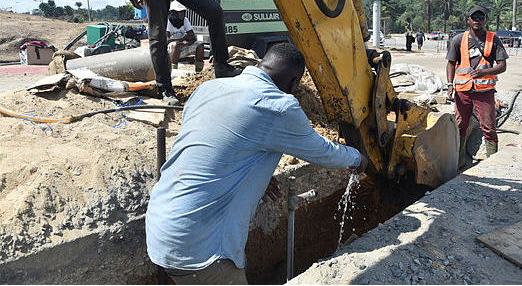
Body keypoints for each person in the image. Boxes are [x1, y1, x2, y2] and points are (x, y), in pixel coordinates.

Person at [145, 43, 368, 284]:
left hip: (161, 226)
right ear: (294, 83)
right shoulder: (278, 106)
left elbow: (211, 147)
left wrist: (255, 174)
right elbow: (322, 151)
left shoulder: (209, 89)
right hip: (201, 248)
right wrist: (357, 158)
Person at [446, 6, 508, 168]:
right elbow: (451, 63)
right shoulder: (459, 39)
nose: (477, 21)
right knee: (460, 126)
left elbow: (502, 66)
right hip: (463, 91)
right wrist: (449, 85)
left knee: (488, 127)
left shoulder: (493, 39)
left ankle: (492, 165)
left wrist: (484, 72)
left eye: (481, 18)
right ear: (468, 20)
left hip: (484, 92)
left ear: (485, 20)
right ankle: (458, 164)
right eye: (474, 17)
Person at [166, 0, 205, 73]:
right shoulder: (167, 22)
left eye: (183, 12)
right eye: (180, 12)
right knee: (175, 44)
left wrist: (185, 42)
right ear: (174, 13)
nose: (183, 14)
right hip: (169, 50)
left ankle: (198, 72)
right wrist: (183, 39)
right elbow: (166, 40)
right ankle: (173, 72)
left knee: (200, 44)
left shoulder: (185, 20)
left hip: (182, 46)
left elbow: (192, 36)